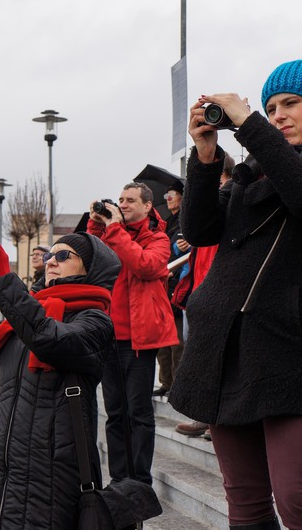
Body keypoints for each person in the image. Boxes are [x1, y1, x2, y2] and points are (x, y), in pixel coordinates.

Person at [169, 59, 302, 530]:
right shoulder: (252, 172)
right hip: (223, 348)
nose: (278, 114)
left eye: (290, 103)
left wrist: (250, 123)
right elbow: (198, 229)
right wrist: (205, 157)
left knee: (300, 501)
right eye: (270, 107)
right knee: (246, 504)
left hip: (289, 349)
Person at [0, 234, 121, 529]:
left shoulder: (95, 321)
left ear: (90, 268)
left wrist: (5, 281)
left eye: (64, 256)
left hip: (49, 480)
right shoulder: (26, 317)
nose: (51, 262)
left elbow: (48, 338)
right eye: (50, 255)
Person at [87, 183, 178, 485]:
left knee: (138, 411)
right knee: (115, 412)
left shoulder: (159, 239)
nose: (123, 205)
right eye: (121, 200)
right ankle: (119, 477)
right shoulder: (110, 235)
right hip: (107, 338)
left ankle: (140, 480)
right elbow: (87, 260)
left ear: (148, 206)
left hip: (140, 340)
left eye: (130, 201)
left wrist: (115, 231)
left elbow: (145, 265)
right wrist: (95, 224)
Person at [175, 152, 236, 440]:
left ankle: (216, 421)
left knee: (216, 357)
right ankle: (204, 417)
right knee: (200, 354)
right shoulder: (209, 203)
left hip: (218, 290)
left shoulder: (230, 198)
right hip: (199, 290)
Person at [155, 180, 187, 398]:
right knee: (162, 340)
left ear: (183, 197)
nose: (167, 200)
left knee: (177, 339)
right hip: (163, 287)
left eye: (171, 195)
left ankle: (177, 383)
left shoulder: (186, 220)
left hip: (178, 285)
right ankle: (166, 382)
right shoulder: (167, 223)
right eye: (166, 197)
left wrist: (176, 249)